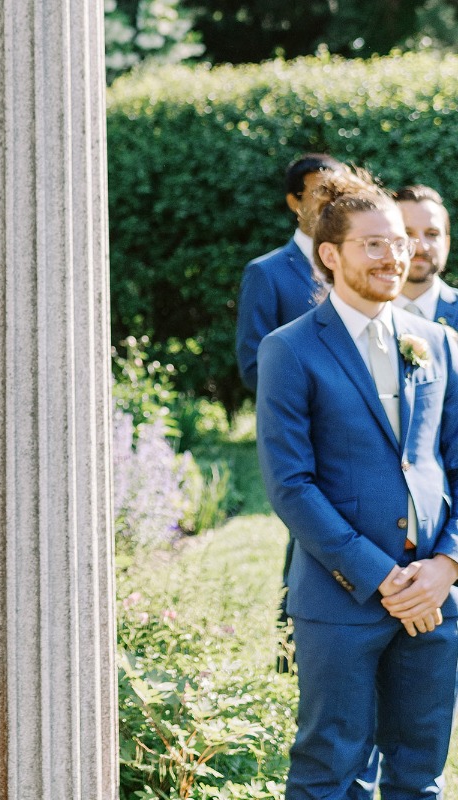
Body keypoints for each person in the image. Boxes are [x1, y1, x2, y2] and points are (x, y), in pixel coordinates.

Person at [256, 177, 458, 798]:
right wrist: (379, 576)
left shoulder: (441, 344)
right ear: (330, 255)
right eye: (374, 245)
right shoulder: (288, 350)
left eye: (398, 243)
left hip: (434, 600)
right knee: (328, 770)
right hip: (341, 602)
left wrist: (446, 565)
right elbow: (290, 484)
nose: (395, 257)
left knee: (418, 774)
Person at [236, 153, 342, 393]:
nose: (330, 202)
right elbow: (254, 366)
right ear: (295, 202)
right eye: (319, 192)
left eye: (337, 194)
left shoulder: (362, 265)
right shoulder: (265, 273)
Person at [393, 185, 458, 325]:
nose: (421, 247)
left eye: (432, 234)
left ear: (446, 244)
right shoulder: (360, 313)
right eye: (407, 233)